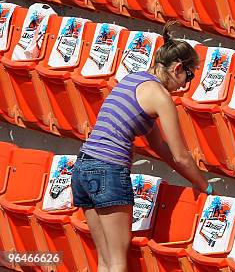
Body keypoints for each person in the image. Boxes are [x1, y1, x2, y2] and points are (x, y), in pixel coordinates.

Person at [70, 22, 212, 272]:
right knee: (117, 261)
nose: (186, 85)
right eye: (188, 76)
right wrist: (203, 185)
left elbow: (158, 145)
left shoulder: (133, 80)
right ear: (178, 68)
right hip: (108, 171)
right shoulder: (160, 96)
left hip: (83, 167)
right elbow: (180, 156)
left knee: (104, 259)